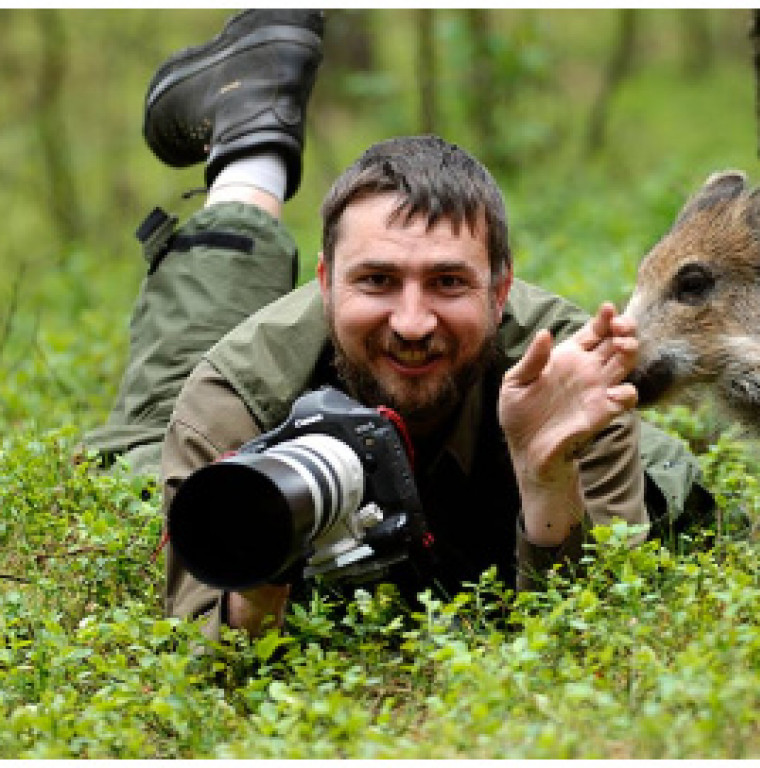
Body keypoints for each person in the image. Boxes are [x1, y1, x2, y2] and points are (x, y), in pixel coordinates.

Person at [85, 9, 713, 639]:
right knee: (148, 439)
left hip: (509, 436)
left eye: (447, 281)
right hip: (270, 382)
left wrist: (547, 478)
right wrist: (266, 527)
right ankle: (252, 144)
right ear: (326, 285)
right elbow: (212, 659)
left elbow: (600, 635)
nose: (412, 323)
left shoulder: (568, 383)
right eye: (377, 280)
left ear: (501, 291)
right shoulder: (237, 396)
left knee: (672, 493)